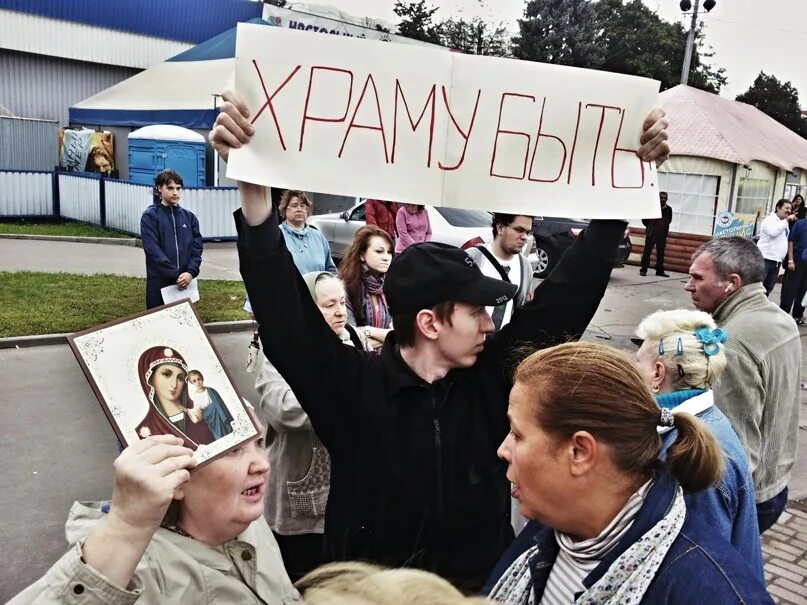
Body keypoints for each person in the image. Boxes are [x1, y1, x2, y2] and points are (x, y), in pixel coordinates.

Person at [210, 89, 670, 590]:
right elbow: (285, 318)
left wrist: (618, 197)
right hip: (371, 596)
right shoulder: (350, 385)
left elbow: (563, 303)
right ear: (429, 323)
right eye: (475, 311)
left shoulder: (495, 379)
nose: (491, 325)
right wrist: (256, 204)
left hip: (473, 590)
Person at [485, 342, 772, 604]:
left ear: (581, 452)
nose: (503, 449)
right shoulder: (551, 525)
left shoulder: (710, 592)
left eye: (517, 434)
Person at [8, 422, 302, 604]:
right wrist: (126, 528)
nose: (261, 464)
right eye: (233, 450)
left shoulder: (249, 520)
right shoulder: (138, 574)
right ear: (174, 473)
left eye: (259, 443)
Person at [255, 271, 371, 581]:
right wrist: (348, 397)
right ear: (306, 309)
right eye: (328, 304)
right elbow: (282, 409)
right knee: (302, 580)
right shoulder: (279, 350)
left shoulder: (352, 340)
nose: (339, 312)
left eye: (342, 303)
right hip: (298, 502)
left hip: (347, 498)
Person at [634, 309, 764, 580]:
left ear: (658, 374)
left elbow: (699, 569)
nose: (633, 372)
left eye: (638, 363)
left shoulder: (688, 452)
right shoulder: (699, 425)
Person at [687, 237, 801, 532]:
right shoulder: (781, 319)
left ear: (732, 283)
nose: (688, 285)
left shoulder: (731, 344)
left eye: (698, 277)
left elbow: (733, 451)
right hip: (776, 485)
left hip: (748, 499)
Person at [140, 169, 203, 309]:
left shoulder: (189, 217)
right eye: (170, 188)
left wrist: (190, 273)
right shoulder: (150, 216)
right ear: (159, 188)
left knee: (185, 325)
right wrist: (176, 275)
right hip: (160, 285)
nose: (175, 192)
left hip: (186, 284)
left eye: (178, 188)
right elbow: (152, 250)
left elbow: (197, 248)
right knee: (160, 326)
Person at [135, 346, 215, 449]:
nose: (174, 384)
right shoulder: (143, 431)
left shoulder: (198, 416)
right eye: (166, 374)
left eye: (181, 378)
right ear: (150, 379)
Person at [466, 213, 534, 331]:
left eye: (528, 232)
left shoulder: (525, 266)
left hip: (502, 343)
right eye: (519, 230)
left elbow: (523, 308)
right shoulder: (472, 257)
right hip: (469, 339)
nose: (525, 237)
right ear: (500, 228)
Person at [339, 225, 394, 350]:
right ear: (362, 255)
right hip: (358, 360)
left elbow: (399, 334)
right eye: (379, 251)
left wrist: (368, 330)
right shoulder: (346, 287)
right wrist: (387, 336)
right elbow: (348, 336)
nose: (386, 257)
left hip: (385, 359)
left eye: (389, 252)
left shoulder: (389, 285)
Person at [278, 189, 337, 275]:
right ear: (284, 210)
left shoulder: (318, 236)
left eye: (303, 206)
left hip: (317, 287)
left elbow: (330, 270)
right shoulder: (277, 235)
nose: (299, 209)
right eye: (294, 205)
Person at [758, 199, 795, 296]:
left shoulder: (783, 223)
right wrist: (787, 220)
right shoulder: (769, 220)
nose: (789, 210)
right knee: (758, 288)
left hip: (776, 261)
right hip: (765, 259)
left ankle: (761, 309)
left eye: (790, 209)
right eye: (786, 208)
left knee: (768, 288)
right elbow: (773, 232)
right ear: (778, 208)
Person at [187, 370, 234, 440]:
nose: (198, 382)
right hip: (211, 420)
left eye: (199, 379)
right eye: (194, 381)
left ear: (202, 379)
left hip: (222, 417)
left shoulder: (211, 390)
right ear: (192, 383)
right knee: (221, 438)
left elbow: (222, 406)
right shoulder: (195, 397)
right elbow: (199, 414)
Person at [779, 210, 807, 323]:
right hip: (797, 259)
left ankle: (798, 315)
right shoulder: (800, 224)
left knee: (804, 288)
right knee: (790, 288)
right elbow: (791, 241)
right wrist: (790, 260)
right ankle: (783, 314)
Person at [640, 191, 673, 277]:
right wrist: (650, 227)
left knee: (660, 254)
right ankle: (643, 270)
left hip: (662, 234)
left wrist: (664, 229)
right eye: (661, 198)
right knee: (647, 253)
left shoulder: (669, 209)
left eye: (665, 198)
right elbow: (644, 220)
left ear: (667, 199)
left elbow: (669, 220)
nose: (663, 200)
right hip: (652, 233)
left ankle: (659, 271)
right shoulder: (652, 208)